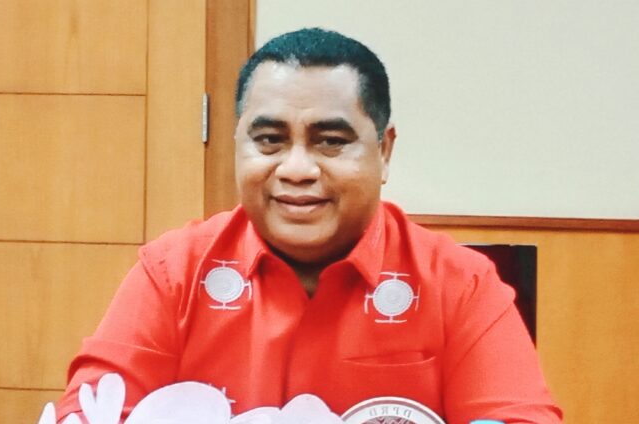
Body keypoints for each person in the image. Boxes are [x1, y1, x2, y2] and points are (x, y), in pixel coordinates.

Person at [56, 28, 562, 423]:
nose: (296, 169)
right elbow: (91, 409)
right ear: (238, 145)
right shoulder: (173, 273)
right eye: (270, 140)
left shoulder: (460, 284)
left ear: (384, 151)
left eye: (331, 142)